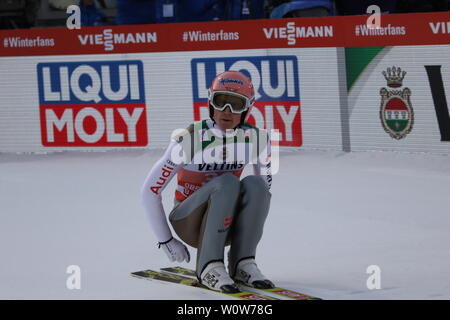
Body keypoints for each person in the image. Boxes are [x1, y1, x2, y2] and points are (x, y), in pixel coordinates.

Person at [141, 71, 274, 293]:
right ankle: (207, 266)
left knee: (258, 186)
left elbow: (262, 193)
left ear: (248, 108)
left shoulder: (257, 138)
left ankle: (243, 262)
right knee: (227, 183)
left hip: (227, 224)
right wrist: (166, 240)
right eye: (221, 102)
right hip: (188, 221)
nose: (227, 111)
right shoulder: (191, 137)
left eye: (236, 104)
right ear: (210, 103)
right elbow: (149, 190)